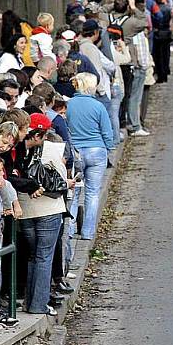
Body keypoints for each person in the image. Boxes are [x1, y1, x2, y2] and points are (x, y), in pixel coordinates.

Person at [14, 114, 69, 316]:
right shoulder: (51, 150)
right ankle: (38, 304)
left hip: (26, 209)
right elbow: (62, 178)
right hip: (49, 208)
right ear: (41, 134)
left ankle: (29, 300)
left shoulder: (19, 150)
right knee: (44, 257)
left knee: (32, 256)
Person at [66, 73, 114, 241]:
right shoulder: (98, 106)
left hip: (76, 151)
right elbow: (107, 131)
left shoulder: (69, 105)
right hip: (96, 150)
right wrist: (109, 147)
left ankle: (69, 230)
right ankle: (87, 232)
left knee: (73, 193)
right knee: (92, 193)